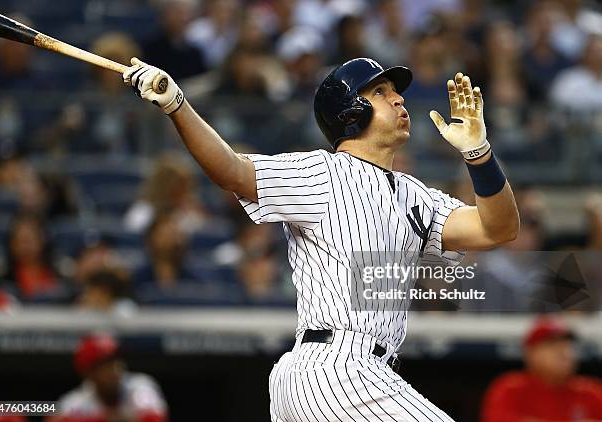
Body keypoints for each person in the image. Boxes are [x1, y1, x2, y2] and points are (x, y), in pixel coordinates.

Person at [122, 55, 519, 420]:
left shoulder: (418, 196)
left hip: (356, 374)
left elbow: (498, 228)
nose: (398, 99)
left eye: (395, 91)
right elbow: (232, 170)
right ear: (350, 110)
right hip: (335, 368)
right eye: (380, 92)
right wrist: (178, 104)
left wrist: (479, 153)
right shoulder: (322, 172)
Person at [481, 316, 602, 421]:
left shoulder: (591, 391)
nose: (564, 352)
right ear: (531, 353)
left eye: (568, 346)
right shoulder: (510, 388)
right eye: (552, 346)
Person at [47, 333, 167, 422]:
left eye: (115, 363)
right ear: (89, 373)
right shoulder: (76, 402)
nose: (114, 371)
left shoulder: (140, 387)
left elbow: (153, 418)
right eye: (105, 366)